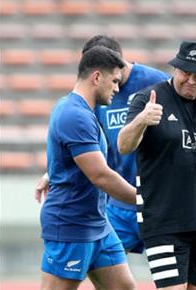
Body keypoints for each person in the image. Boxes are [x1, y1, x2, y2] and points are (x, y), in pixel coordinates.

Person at [117, 41, 196, 290]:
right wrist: (142, 120)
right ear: (175, 68)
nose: (191, 80)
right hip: (164, 222)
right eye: (185, 72)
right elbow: (124, 144)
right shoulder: (148, 98)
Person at [35, 35, 169, 255]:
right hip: (118, 201)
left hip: (157, 198)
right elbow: (85, 144)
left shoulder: (155, 82)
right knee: (115, 275)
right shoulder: (94, 96)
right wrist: (53, 172)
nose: (115, 87)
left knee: (170, 276)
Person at [40, 46, 138, 290]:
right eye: (114, 81)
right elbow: (100, 175)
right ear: (97, 77)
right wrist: (144, 199)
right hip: (71, 225)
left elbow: (82, 161)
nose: (118, 88)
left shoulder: (85, 112)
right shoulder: (74, 114)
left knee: (124, 287)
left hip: (98, 224)